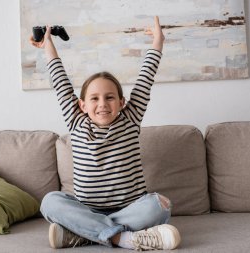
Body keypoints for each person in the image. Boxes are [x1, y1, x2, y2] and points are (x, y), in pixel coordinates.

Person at [30, 16, 181, 251]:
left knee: (160, 206)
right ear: (82, 105)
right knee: (50, 202)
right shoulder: (76, 121)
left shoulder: (130, 119)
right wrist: (48, 43)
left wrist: (157, 43)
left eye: (110, 97)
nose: (102, 104)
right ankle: (124, 238)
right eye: (95, 98)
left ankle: (85, 234)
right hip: (87, 209)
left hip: (131, 209)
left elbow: (145, 79)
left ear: (121, 102)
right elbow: (60, 81)